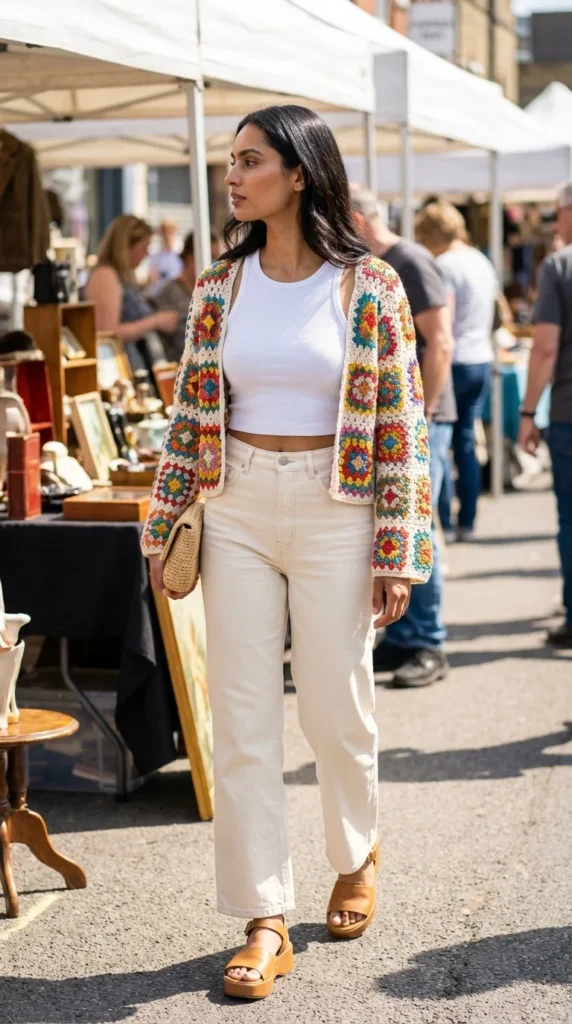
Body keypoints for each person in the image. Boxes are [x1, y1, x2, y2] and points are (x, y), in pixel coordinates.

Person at [141, 105, 432, 999]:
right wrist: (164, 526)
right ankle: (265, 914)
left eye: (250, 160)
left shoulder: (369, 285)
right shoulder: (218, 289)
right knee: (242, 720)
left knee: (337, 708)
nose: (233, 176)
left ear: (299, 173)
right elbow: (192, 413)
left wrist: (398, 547)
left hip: (335, 508)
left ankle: (357, 850)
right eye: (231, 162)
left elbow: (402, 426)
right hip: (233, 504)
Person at [350, 184, 455, 688]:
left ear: (356, 220)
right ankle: (404, 636)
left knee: (418, 524)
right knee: (398, 523)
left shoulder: (406, 262)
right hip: (397, 422)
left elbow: (441, 341)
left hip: (421, 419)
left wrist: (426, 415)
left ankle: (428, 642)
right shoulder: (376, 266)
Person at [416, 200, 498, 541]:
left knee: (443, 440)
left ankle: (446, 523)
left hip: (456, 359)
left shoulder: (445, 264)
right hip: (481, 355)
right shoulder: (480, 260)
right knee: (465, 440)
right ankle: (469, 517)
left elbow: (442, 324)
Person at [519, 180, 572, 648]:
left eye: (558, 213)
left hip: (569, 413)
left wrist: (527, 410)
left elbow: (546, 346)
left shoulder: (560, 265)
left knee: (571, 518)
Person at [86, 215, 178, 373]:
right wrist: (154, 322)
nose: (147, 254)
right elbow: (107, 333)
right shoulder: (105, 275)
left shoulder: (119, 275)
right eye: (145, 247)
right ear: (127, 245)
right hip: (121, 369)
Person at [154, 230, 222, 363]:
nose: (216, 263)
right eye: (212, 257)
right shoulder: (169, 292)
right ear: (191, 257)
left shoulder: (216, 290)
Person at [147, 217, 183, 295]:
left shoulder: (182, 251)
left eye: (170, 231)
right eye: (164, 232)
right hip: (159, 295)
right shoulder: (154, 253)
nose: (166, 235)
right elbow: (152, 277)